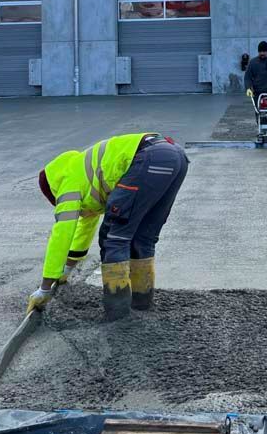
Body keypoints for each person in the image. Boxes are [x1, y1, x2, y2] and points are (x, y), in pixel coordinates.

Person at [27, 132, 189, 321]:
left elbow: (62, 234)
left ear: (53, 191)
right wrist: (66, 271)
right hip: (176, 157)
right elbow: (84, 228)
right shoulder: (83, 172)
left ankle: (117, 316)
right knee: (142, 237)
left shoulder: (67, 185)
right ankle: (141, 305)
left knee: (113, 237)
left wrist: (44, 288)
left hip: (148, 158)